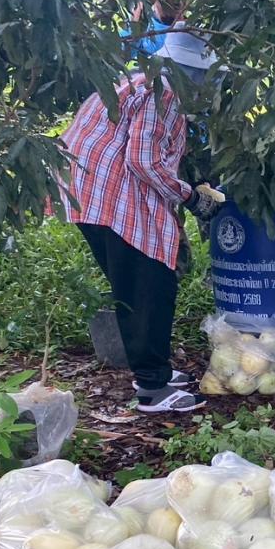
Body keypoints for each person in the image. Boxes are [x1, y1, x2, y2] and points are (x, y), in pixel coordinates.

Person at [62, 28, 221, 413]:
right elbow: (143, 160)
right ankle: (152, 388)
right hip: (114, 195)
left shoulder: (136, 81)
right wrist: (190, 196)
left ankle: (154, 372)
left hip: (89, 193)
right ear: (191, 74)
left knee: (134, 286)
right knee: (149, 285)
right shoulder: (164, 94)